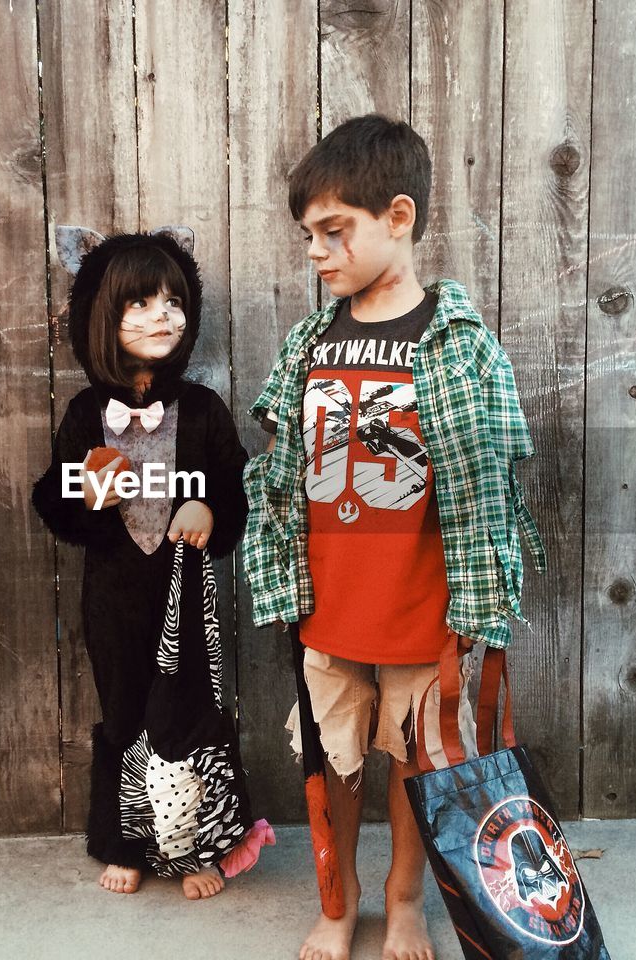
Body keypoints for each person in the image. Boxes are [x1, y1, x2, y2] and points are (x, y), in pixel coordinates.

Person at [242, 115, 547, 960]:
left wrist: (478, 597)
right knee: (333, 763)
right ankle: (336, 905)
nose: (317, 251)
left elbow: (492, 485)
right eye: (308, 235)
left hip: (422, 605)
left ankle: (405, 899)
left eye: (335, 231)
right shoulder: (310, 344)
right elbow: (278, 472)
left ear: (400, 217)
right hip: (330, 603)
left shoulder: (459, 348)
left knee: (420, 765)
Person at [33, 228, 272, 901]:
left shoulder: (201, 410)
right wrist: (86, 495)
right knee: (123, 712)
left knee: (190, 712)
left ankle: (198, 843)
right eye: (138, 304)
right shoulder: (86, 415)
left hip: (185, 592)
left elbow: (235, 487)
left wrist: (212, 515)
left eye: (172, 301)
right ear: (100, 322)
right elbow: (54, 499)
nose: (161, 315)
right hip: (112, 593)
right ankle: (126, 841)